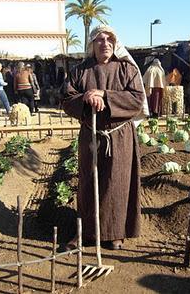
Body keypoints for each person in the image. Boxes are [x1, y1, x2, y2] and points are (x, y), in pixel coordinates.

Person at [62, 25, 148, 250]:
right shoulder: (81, 70)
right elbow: (67, 99)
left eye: (110, 39)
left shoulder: (127, 69)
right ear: (92, 44)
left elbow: (137, 99)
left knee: (116, 182)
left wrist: (105, 95)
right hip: (91, 135)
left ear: (115, 43)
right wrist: (87, 98)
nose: (105, 43)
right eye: (99, 40)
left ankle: (115, 233)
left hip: (119, 137)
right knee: (88, 182)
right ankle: (86, 233)